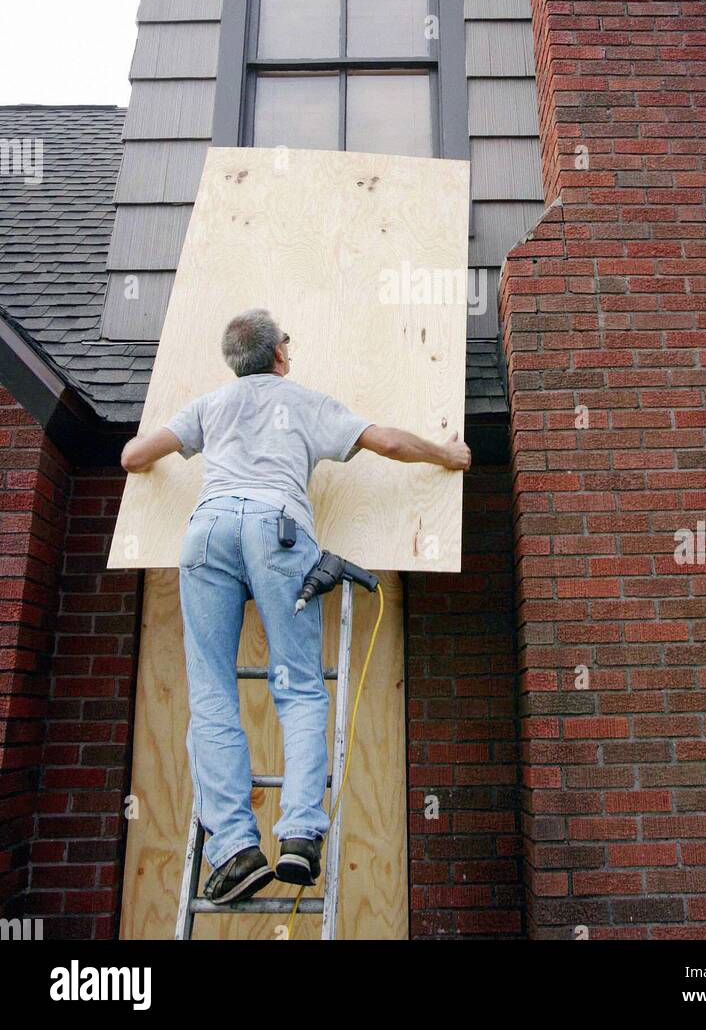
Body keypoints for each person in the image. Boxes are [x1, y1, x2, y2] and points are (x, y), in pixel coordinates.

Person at [120, 308, 471, 904]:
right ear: (279, 354)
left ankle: (233, 849)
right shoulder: (303, 401)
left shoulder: (210, 406)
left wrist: (159, 443)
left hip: (206, 533)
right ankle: (301, 836)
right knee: (300, 687)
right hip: (277, 531)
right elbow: (385, 440)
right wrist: (447, 455)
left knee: (210, 691)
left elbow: (132, 457)